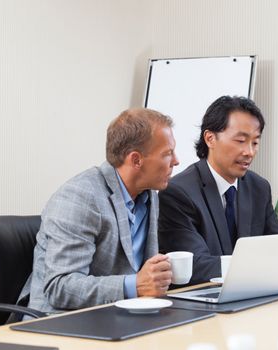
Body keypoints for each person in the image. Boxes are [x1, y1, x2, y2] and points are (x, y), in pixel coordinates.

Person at [158, 96, 278, 284]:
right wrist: (260, 264)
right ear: (210, 138)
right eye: (240, 141)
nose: (250, 152)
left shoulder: (258, 188)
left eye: (255, 143)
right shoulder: (178, 192)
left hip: (253, 295)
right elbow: (195, 266)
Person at [18, 108, 180, 314]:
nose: (176, 160)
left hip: (119, 316)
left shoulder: (149, 195)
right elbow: (60, 287)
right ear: (136, 160)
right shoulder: (80, 197)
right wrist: (134, 285)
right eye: (167, 153)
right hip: (61, 323)